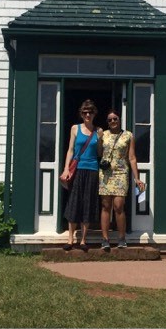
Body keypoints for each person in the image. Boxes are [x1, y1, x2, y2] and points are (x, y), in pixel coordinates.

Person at [98, 109, 146, 251]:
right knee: (106, 205)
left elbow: (131, 157)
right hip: (105, 173)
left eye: (115, 118)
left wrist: (137, 178)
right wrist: (98, 139)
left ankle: (121, 238)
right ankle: (105, 239)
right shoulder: (103, 135)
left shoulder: (128, 135)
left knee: (119, 205)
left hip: (121, 173)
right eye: (110, 120)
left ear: (119, 119)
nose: (113, 121)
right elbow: (99, 153)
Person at [60, 99, 103, 251]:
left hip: (92, 170)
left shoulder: (99, 131)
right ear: (81, 113)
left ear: (94, 114)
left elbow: (99, 153)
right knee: (74, 202)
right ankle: (70, 239)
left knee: (88, 203)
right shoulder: (75, 129)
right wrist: (66, 169)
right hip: (77, 169)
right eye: (85, 112)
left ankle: (83, 240)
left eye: (90, 112)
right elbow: (70, 150)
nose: (87, 115)